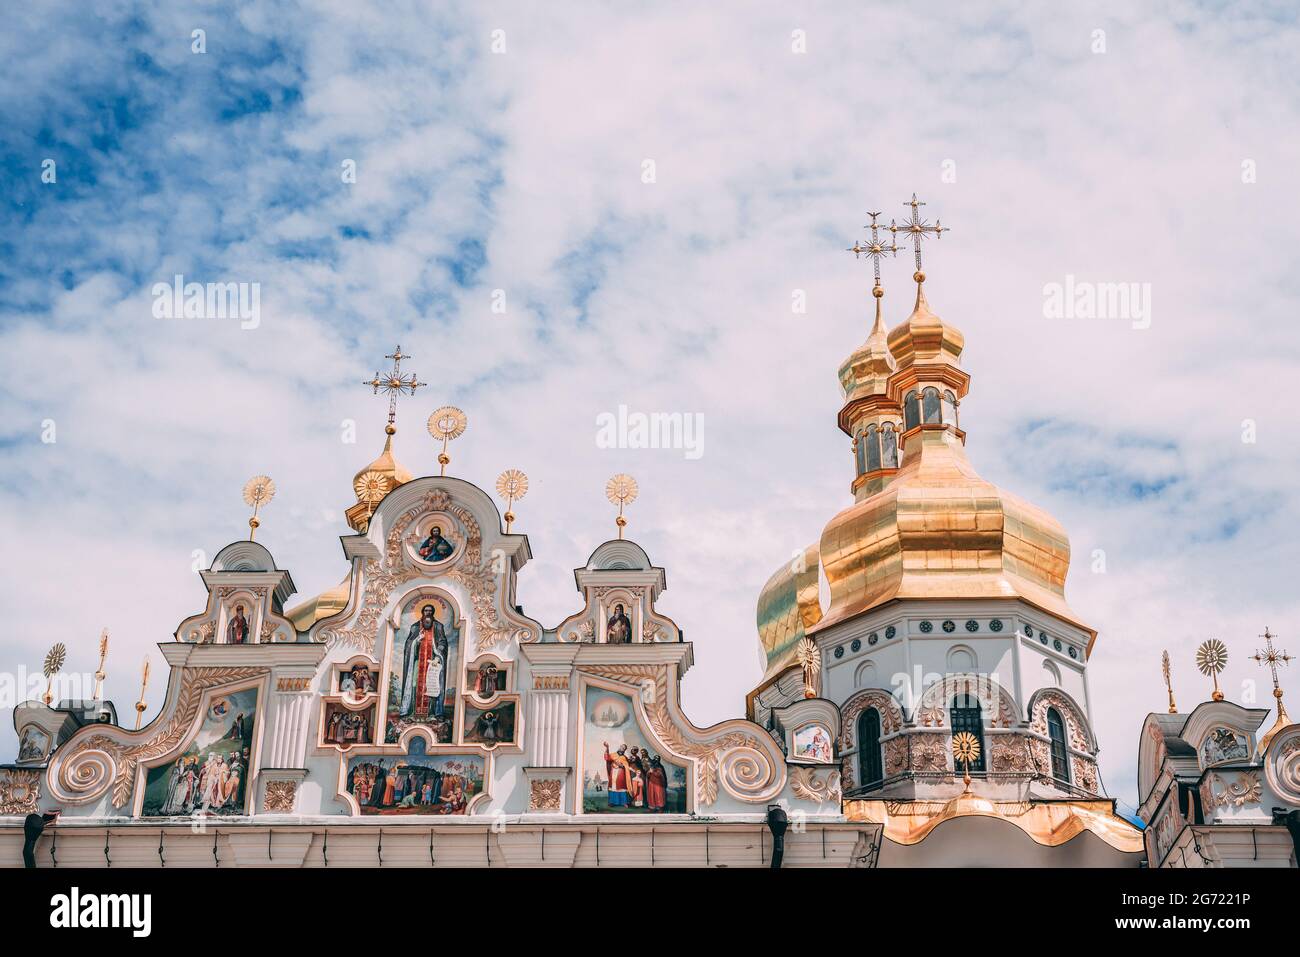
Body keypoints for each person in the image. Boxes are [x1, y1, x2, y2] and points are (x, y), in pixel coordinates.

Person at [399, 604, 449, 720]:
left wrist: (437, 657)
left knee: (433, 686)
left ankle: (433, 713)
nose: (428, 613)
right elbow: (408, 644)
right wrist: (417, 640)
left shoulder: (438, 626)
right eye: (426, 610)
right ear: (422, 612)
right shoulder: (415, 627)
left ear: (433, 613)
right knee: (415, 684)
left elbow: (443, 642)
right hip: (418, 662)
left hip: (433, 662)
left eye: (430, 611)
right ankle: (412, 712)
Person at [603, 742, 632, 807]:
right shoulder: (613, 755)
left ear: (624, 750)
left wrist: (622, 765)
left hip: (621, 774)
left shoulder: (624, 757)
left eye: (623, 748)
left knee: (622, 787)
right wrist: (607, 748)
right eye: (621, 747)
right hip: (613, 773)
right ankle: (612, 802)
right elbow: (607, 757)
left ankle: (624, 802)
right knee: (612, 787)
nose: (622, 748)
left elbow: (626, 765)